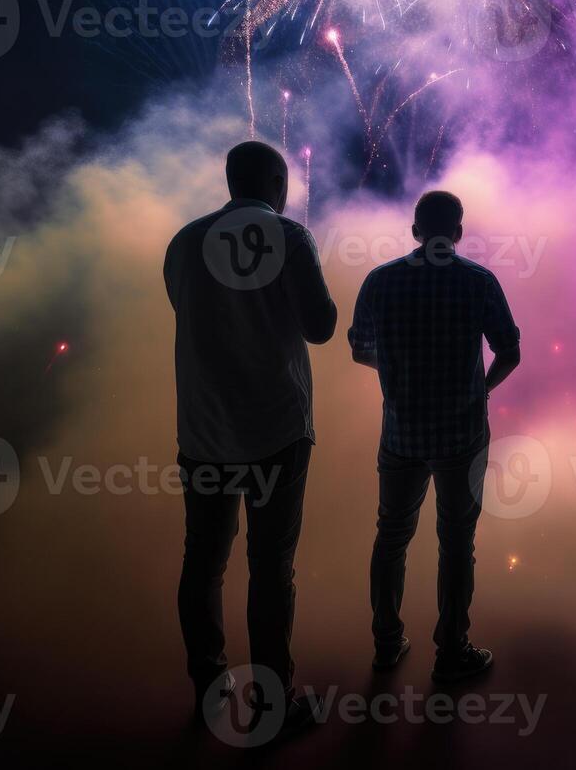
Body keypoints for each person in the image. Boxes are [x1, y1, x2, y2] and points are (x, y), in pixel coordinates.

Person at [163, 140, 337, 737]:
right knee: (270, 569)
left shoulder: (184, 242)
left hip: (204, 431)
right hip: (276, 430)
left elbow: (183, 311)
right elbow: (321, 327)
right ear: (274, 180)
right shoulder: (288, 236)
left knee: (202, 565)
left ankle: (209, 691)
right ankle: (275, 703)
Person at [349, 191, 521, 683]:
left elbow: (360, 348)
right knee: (456, 542)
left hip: (401, 432)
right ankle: (452, 650)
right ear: (459, 231)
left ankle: (386, 644)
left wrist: (398, 372)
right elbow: (509, 350)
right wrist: (480, 390)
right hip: (462, 434)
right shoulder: (478, 281)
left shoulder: (380, 280)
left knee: (391, 538)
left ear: (414, 231)